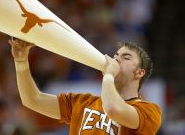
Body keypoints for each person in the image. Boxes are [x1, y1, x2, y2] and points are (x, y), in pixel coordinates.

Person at [9, 38, 162, 135]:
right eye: (115, 56)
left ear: (139, 73)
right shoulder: (83, 102)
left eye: (126, 57)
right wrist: (21, 61)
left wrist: (108, 75)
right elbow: (32, 99)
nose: (116, 60)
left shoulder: (149, 111)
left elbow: (113, 109)